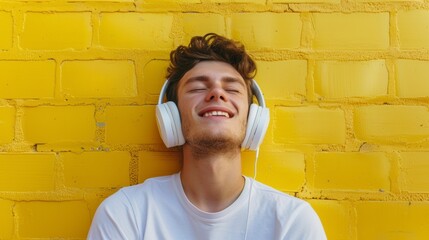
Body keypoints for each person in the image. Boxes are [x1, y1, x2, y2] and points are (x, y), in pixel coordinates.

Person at [87, 33, 326, 240]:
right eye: (198, 88)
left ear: (254, 118)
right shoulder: (127, 213)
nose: (216, 94)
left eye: (232, 88)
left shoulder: (291, 222)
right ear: (172, 115)